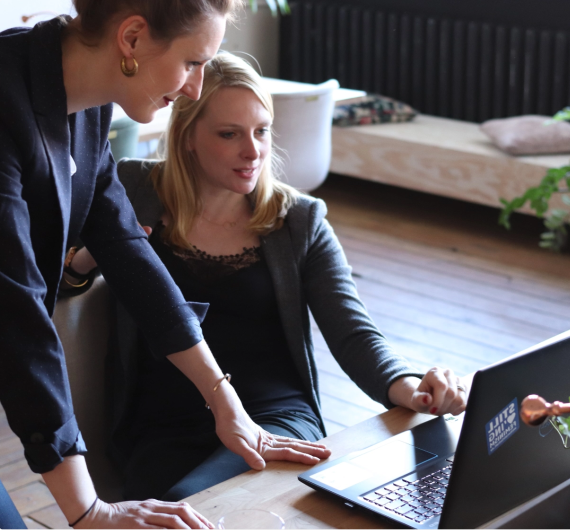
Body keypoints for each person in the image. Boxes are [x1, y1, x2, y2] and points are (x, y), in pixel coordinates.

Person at [69, 52, 468, 503]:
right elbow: (57, 285)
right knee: (184, 503)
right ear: (188, 138)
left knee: (202, 502)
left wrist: (411, 388)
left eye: (261, 131)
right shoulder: (132, 189)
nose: (253, 151)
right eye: (229, 134)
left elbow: (353, 333)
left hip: (274, 417)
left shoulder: (298, 220)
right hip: (162, 424)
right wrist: (89, 258)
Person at [0, 2, 330, 528]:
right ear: (131, 39)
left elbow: (128, 249)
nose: (196, 89)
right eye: (193, 63)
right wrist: (89, 513)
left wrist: (227, 404)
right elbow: (16, 317)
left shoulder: (84, 102)